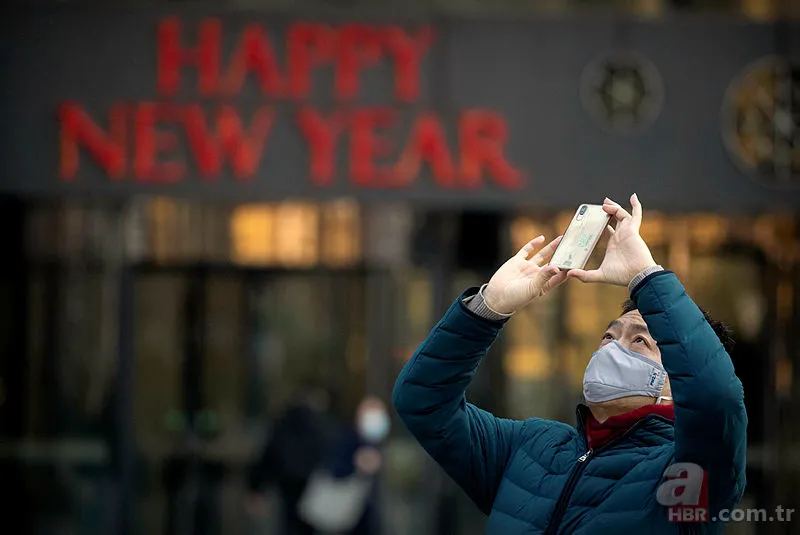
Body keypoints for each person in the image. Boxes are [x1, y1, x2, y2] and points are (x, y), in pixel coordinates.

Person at [392, 195, 747, 534]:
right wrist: (487, 310)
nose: (612, 349)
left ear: (676, 382)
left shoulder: (687, 472)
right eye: (609, 336)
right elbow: (422, 401)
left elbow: (716, 397)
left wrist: (646, 276)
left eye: (639, 341)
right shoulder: (530, 446)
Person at [246, 385, 334, 535]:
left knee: (289, 523)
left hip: (287, 484)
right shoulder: (322, 426)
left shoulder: (283, 423)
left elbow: (269, 456)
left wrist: (256, 487)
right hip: (312, 485)